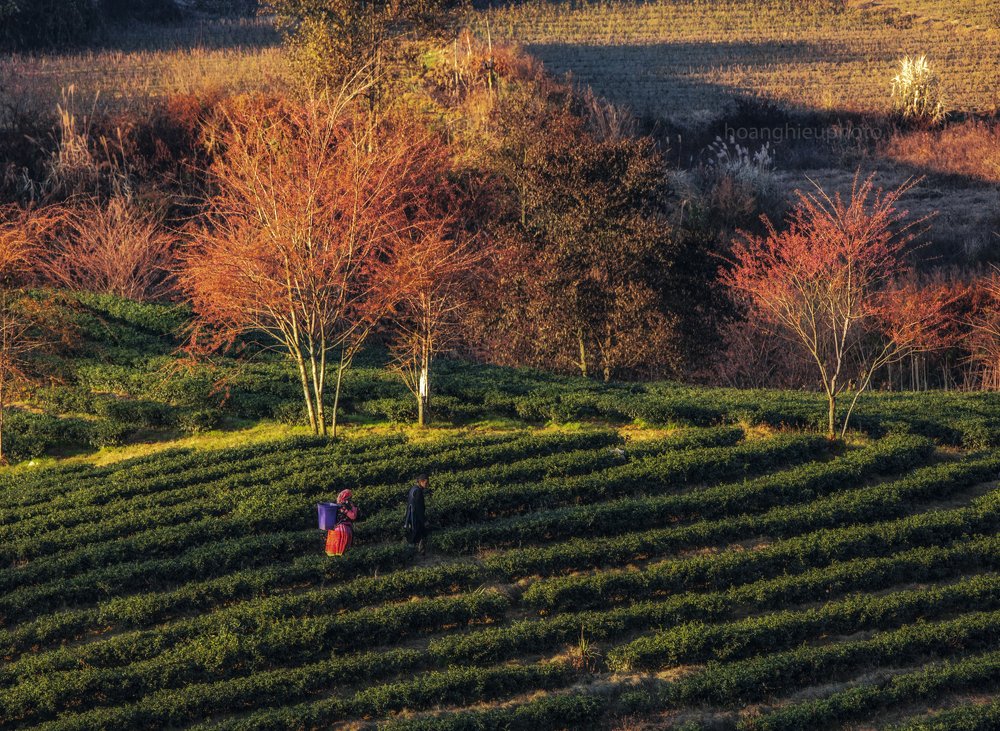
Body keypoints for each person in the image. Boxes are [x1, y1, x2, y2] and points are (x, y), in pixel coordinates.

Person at [325, 489, 360, 557]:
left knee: (333, 553)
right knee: (343, 553)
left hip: (333, 531)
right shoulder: (345, 506)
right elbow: (353, 516)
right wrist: (350, 509)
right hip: (343, 530)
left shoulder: (336, 505)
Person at [404, 474, 431, 555]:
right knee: (415, 536)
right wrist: (424, 521)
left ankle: (421, 551)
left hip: (411, 516)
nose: (427, 485)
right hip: (415, 518)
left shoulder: (413, 488)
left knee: (419, 535)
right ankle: (410, 554)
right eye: (426, 483)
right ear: (421, 482)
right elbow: (419, 509)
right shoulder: (418, 491)